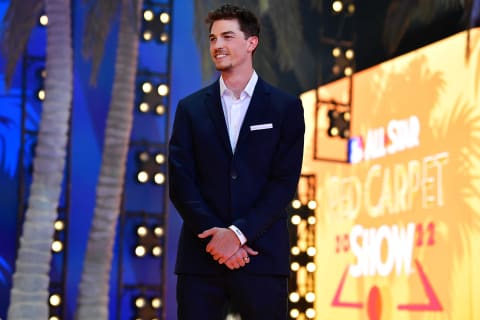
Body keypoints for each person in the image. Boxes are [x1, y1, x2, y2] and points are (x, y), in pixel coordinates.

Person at [168, 3, 305, 320]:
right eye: (213, 38)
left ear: (251, 42)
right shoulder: (190, 109)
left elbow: (284, 183)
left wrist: (238, 235)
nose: (217, 46)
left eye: (227, 36)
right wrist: (216, 236)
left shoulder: (285, 108)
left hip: (261, 257)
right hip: (201, 260)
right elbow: (180, 181)